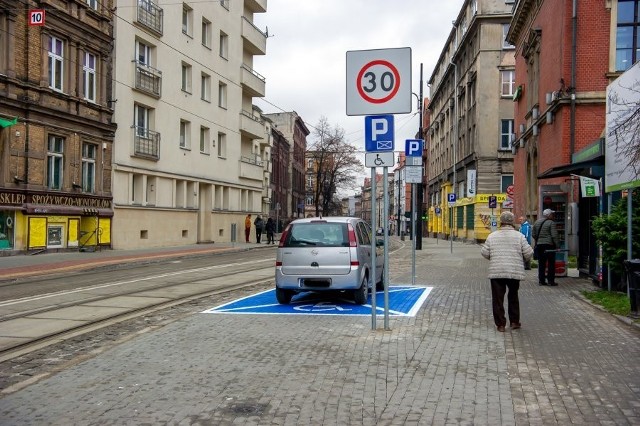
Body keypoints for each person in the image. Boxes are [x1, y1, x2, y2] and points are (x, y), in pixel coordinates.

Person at [481, 211, 534, 332]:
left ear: (501, 222)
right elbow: (528, 252)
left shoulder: (492, 236)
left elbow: (484, 252)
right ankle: (514, 322)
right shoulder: (519, 236)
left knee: (498, 298)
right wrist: (522, 259)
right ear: (512, 222)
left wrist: (493, 258)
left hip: (497, 271)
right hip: (514, 271)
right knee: (513, 296)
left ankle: (500, 325)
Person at [532, 208, 560, 286]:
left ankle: (541, 280)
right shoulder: (551, 223)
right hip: (549, 245)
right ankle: (551, 281)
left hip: (540, 245)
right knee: (551, 263)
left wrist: (538, 240)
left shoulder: (537, 222)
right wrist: (557, 246)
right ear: (549, 215)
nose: (553, 215)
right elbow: (554, 235)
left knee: (541, 263)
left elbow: (533, 234)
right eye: (552, 214)